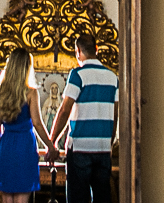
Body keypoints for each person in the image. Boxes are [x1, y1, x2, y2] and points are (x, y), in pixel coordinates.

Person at [48, 34, 118, 203]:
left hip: (80, 148)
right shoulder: (112, 77)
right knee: (102, 197)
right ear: (96, 49)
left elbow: (65, 110)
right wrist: (108, 143)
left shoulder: (78, 75)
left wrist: (52, 141)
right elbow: (114, 115)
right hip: (102, 148)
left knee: (77, 198)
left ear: (77, 52)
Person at [0, 48, 60, 203]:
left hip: (6, 144)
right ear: (27, 68)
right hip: (24, 145)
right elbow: (37, 123)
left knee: (7, 196)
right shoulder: (30, 93)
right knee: (22, 195)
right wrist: (50, 146)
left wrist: (0, 142)